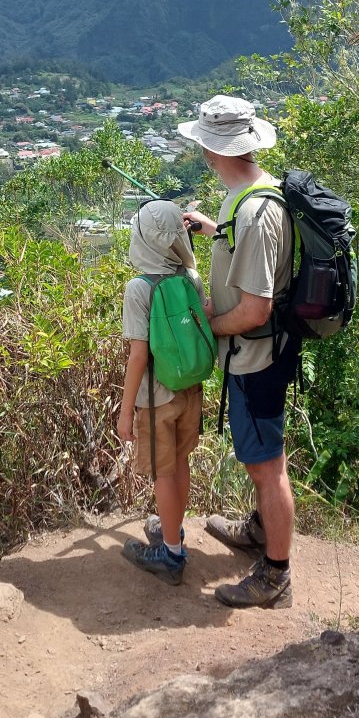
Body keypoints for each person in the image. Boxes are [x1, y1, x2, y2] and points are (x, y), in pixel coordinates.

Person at [176, 94, 299, 609]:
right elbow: (246, 250)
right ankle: (260, 530)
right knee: (261, 461)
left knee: (267, 466)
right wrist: (212, 229)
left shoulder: (253, 215)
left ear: (212, 150)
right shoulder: (248, 195)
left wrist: (207, 326)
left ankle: (275, 576)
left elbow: (254, 310)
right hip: (255, 355)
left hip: (256, 359)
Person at [117, 200, 207, 587]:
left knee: (163, 472)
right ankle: (174, 530)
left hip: (156, 399)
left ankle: (171, 554)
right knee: (180, 462)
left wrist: (125, 412)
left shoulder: (139, 288)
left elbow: (138, 356)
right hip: (190, 388)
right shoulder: (190, 278)